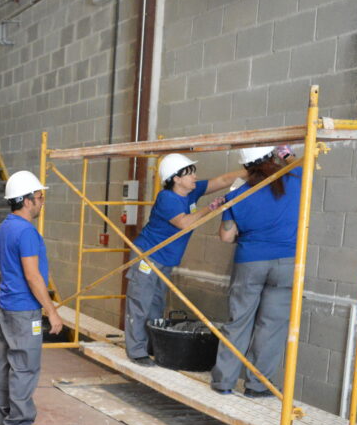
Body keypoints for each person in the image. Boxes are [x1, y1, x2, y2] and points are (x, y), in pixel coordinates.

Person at [124, 153, 246, 366]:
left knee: (156, 304)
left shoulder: (192, 191)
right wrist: (209, 208)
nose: (195, 177)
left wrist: (254, 170)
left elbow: (224, 180)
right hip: (148, 256)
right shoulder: (167, 198)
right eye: (189, 173)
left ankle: (152, 346)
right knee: (140, 303)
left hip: (167, 259)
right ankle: (136, 351)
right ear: (176, 179)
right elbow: (183, 223)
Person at [210, 145, 299, 397]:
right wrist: (287, 154)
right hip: (286, 262)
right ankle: (258, 386)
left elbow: (226, 237)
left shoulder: (236, 194)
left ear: (246, 167)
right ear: (273, 157)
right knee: (271, 326)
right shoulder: (295, 179)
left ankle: (223, 382)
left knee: (238, 321)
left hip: (249, 262)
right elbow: (303, 164)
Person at [0, 171, 62, 425]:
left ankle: (2, 414)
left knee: (6, 363)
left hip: (7, 306)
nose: (42, 202)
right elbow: (33, 276)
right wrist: (51, 310)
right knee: (25, 367)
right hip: (24, 310)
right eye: (40, 197)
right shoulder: (27, 232)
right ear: (27, 200)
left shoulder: (6, 226)